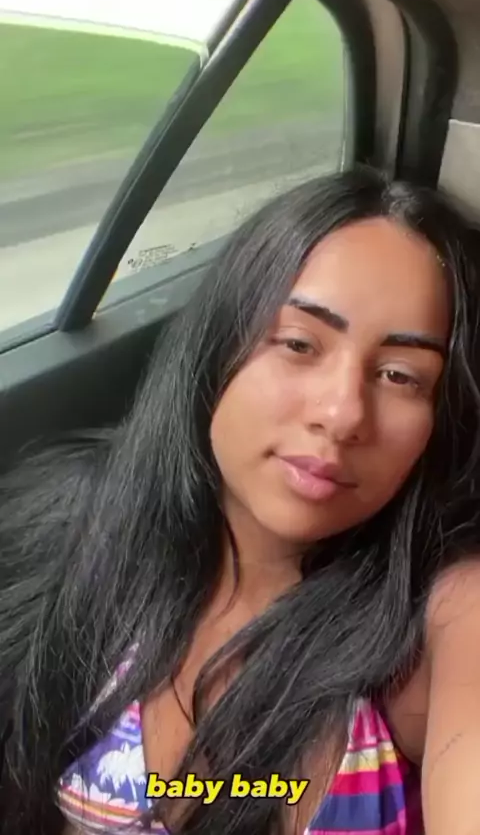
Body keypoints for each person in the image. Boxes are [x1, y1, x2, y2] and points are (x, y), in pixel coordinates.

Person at [1, 166, 480, 835]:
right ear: (216, 349)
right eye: (298, 343)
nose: (342, 413)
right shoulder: (71, 525)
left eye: (401, 376)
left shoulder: (447, 615)